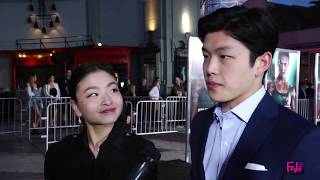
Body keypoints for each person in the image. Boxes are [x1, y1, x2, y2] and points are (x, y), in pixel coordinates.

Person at [190, 6, 320, 180]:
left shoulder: (300, 137)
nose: (210, 68)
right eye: (206, 56)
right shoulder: (200, 123)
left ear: (262, 63)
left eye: (224, 56)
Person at [44, 64, 160, 180]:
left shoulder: (142, 152)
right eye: (93, 94)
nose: (107, 101)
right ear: (76, 108)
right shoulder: (58, 154)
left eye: (113, 90)